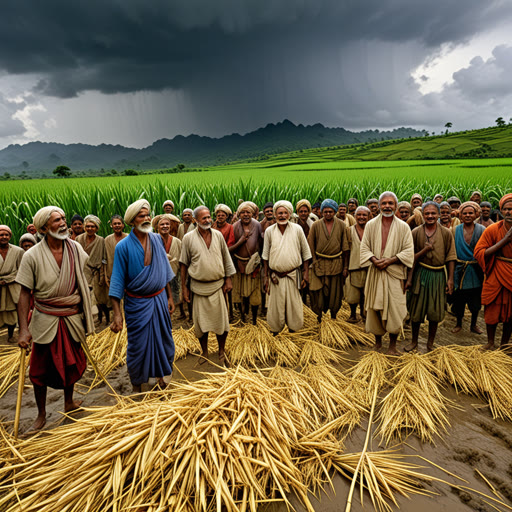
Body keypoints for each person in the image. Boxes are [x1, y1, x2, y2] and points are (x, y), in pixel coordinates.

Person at [16, 206, 94, 431]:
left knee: (72, 363)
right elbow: (24, 294)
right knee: (39, 371)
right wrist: (23, 329)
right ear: (43, 228)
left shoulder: (76, 248)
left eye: (63, 218)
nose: (63, 223)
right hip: (45, 318)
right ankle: (41, 414)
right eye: (56, 220)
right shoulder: (32, 256)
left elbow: (83, 277)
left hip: (70, 317)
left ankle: (68, 402)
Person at [109, 199, 175, 392]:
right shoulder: (123, 247)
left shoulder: (156, 239)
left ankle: (161, 376)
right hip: (136, 304)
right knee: (138, 346)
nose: (146, 218)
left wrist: (170, 297)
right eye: (141, 215)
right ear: (132, 221)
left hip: (160, 299)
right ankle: (137, 383)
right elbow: (117, 281)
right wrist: (117, 314)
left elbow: (164, 271)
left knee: (163, 340)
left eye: (147, 215)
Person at [360, 192, 414, 355]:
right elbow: (364, 248)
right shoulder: (370, 225)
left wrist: (390, 260)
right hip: (376, 273)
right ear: (379, 206)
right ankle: (377, 343)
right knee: (375, 309)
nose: (387, 206)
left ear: (395, 206)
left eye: (391, 203)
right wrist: (375, 260)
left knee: (395, 310)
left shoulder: (404, 227)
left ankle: (392, 346)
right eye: (384, 203)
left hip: (394, 274)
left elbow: (408, 251)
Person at [180, 206, 235, 365]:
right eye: (204, 218)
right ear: (196, 220)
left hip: (218, 286)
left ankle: (221, 351)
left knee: (222, 324)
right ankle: (204, 352)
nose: (208, 220)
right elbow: (183, 264)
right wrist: (184, 288)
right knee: (200, 324)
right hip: (197, 287)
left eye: (209, 217)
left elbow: (226, 258)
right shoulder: (188, 238)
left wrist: (228, 279)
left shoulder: (217, 235)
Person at [405, 202, 456, 352]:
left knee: (435, 312)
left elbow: (451, 257)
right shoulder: (415, 232)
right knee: (416, 311)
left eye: (433, 213)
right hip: (420, 274)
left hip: (438, 275)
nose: (430, 216)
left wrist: (450, 279)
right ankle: (414, 341)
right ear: (423, 215)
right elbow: (410, 258)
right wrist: (409, 279)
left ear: (439, 214)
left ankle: (430, 343)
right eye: (427, 213)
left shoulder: (446, 233)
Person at [262, 201, 312, 333]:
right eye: (280, 213)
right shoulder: (269, 231)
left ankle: (293, 331)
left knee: (293, 306)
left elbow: (306, 253)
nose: (282, 216)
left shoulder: (297, 229)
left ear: (289, 214)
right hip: (275, 277)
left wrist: (305, 273)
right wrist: (266, 277)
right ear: (274, 214)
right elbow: (265, 257)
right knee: (275, 307)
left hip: (293, 275)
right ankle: (275, 332)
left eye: (285, 213)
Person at [474, 193, 512, 350]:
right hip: (496, 271)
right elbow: (479, 252)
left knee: (511, 312)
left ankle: (504, 343)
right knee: (491, 308)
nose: (509, 212)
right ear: (501, 211)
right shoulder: (492, 229)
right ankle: (490, 342)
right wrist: (505, 241)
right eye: (506, 209)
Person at [308, 199, 349, 322]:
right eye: (325, 211)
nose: (328, 214)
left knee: (335, 292)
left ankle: (333, 316)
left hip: (336, 263)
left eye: (331, 211)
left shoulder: (341, 225)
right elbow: (311, 244)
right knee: (319, 292)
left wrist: (345, 267)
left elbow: (345, 247)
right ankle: (319, 317)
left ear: (335, 212)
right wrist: (314, 261)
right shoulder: (315, 225)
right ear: (321, 212)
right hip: (319, 263)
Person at [451, 201, 485, 334]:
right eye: (464, 213)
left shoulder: (482, 230)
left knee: (475, 301)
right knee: (459, 299)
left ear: (476, 214)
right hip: (459, 269)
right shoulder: (455, 230)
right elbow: (452, 251)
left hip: (475, 269)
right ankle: (459, 323)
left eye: (470, 213)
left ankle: (474, 325)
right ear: (460, 215)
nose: (467, 215)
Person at [230, 202, 263, 324]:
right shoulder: (234, 227)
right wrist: (241, 241)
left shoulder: (258, 225)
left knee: (254, 293)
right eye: (243, 212)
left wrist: (259, 260)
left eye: (248, 212)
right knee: (240, 293)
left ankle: (254, 320)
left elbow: (261, 243)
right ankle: (243, 317)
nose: (245, 214)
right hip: (239, 264)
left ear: (252, 214)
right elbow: (230, 246)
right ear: (239, 214)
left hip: (253, 264)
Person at [76, 215, 109, 324]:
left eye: (93, 226)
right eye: (88, 226)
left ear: (96, 228)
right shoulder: (79, 239)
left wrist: (103, 274)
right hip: (81, 271)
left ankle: (102, 318)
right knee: (82, 297)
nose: (90, 228)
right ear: (85, 227)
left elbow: (104, 258)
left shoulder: (101, 240)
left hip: (96, 273)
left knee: (98, 298)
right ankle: (85, 320)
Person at [153, 214, 184, 320]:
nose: (165, 226)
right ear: (157, 227)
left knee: (172, 300)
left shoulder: (177, 242)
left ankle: (170, 321)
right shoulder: (152, 241)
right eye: (162, 224)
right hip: (157, 278)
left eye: (167, 224)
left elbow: (181, 261)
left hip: (173, 276)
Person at [346, 206, 370, 323]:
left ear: (369, 216)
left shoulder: (372, 230)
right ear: (355, 216)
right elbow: (346, 250)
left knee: (367, 293)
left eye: (364, 215)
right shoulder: (349, 230)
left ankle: (365, 315)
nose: (361, 217)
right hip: (353, 266)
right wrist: (345, 267)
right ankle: (353, 314)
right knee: (353, 293)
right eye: (359, 215)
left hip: (369, 267)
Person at [0, 225, 24, 342]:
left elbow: (23, 269)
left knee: (12, 311)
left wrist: (10, 279)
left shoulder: (18, 251)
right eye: (1, 235)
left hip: (12, 286)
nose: (4, 237)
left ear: (10, 236)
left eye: (6, 235)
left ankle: (10, 335)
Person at [104, 214, 128, 289]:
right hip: (112, 274)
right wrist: (104, 275)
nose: (117, 225)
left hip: (127, 273)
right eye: (115, 224)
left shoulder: (128, 237)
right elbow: (104, 259)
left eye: (119, 223)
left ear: (123, 225)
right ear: (111, 225)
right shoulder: (107, 239)